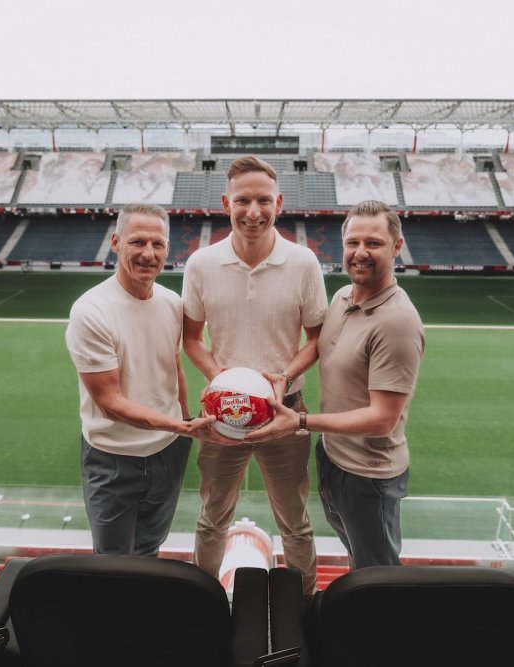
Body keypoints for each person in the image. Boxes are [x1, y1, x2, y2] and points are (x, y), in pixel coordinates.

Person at [247, 200, 425, 569]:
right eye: (353, 242)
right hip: (333, 459)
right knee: (355, 554)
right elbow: (320, 345)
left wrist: (299, 422)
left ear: (396, 246)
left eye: (373, 243)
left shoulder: (397, 322)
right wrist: (286, 375)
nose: (360, 253)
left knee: (376, 572)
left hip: (369, 476)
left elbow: (382, 420)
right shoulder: (343, 297)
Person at [182, 155, 328, 596]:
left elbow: (317, 339)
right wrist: (217, 375)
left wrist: (283, 376)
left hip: (286, 414)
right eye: (243, 200)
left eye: (263, 200)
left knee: (295, 523)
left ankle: (304, 607)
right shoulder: (201, 263)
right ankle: (202, 603)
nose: (253, 211)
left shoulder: (303, 262)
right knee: (212, 518)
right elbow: (191, 339)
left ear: (279, 203)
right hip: (222, 415)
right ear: (226, 202)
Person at [65, 203, 216, 556]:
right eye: (138, 242)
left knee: (150, 547)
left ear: (167, 248)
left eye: (158, 244)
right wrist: (179, 427)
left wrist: (183, 423)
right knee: (113, 558)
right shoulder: (92, 310)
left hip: (168, 452)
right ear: (116, 242)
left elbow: (173, 365)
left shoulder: (171, 303)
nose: (149, 254)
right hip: (113, 458)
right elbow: (110, 404)